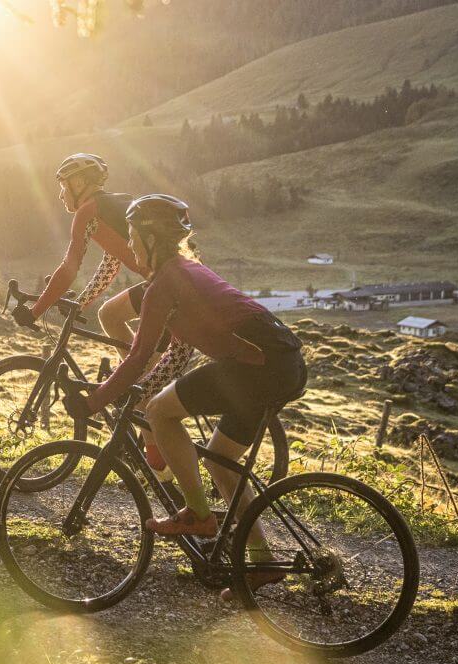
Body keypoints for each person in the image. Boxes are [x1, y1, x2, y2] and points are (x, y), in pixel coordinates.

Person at [62, 195, 307, 598]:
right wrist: (139, 390)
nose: (130, 245)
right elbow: (176, 354)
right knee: (223, 464)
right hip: (282, 363)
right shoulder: (184, 273)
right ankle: (262, 562)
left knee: (161, 413)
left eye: (134, 237)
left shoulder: (166, 283)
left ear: (151, 239)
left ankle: (198, 514)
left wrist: (94, 403)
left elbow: (138, 354)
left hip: (259, 366)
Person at [11, 153, 152, 347]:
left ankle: (142, 374)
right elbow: (110, 265)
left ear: (78, 183)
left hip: (168, 287)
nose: (61, 195)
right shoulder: (111, 207)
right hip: (172, 280)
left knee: (146, 361)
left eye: (63, 187)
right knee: (109, 315)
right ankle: (141, 374)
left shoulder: (88, 212)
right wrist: (81, 303)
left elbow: (69, 268)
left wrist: (34, 312)